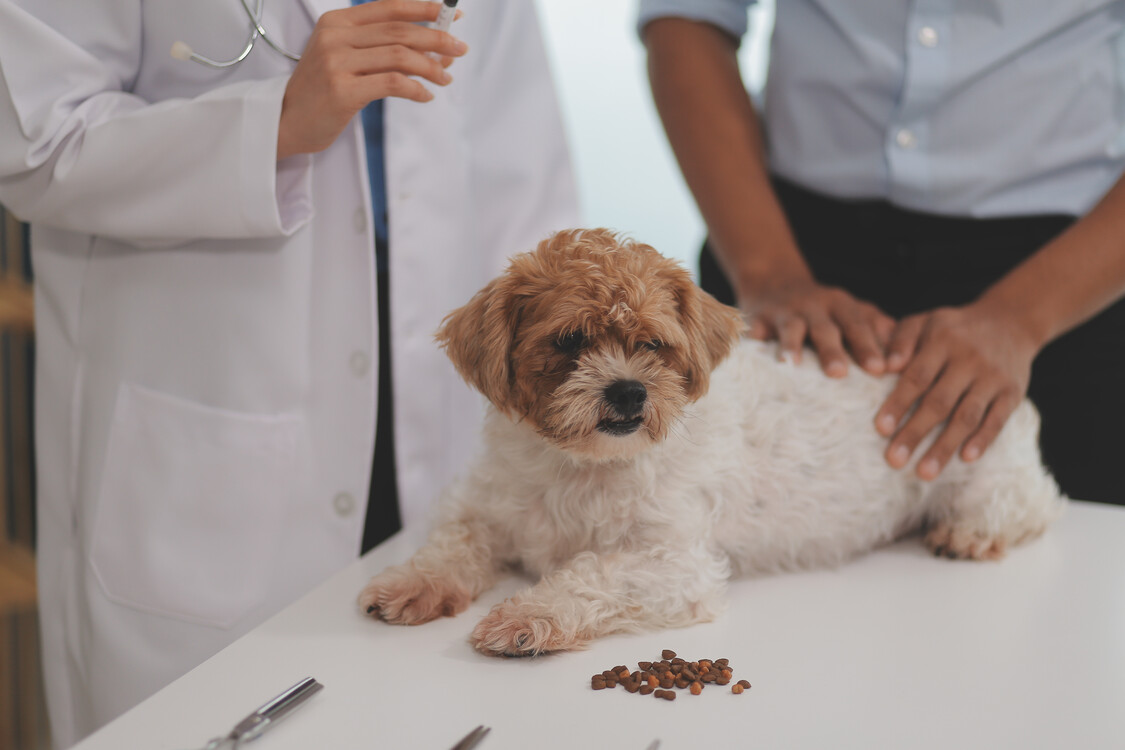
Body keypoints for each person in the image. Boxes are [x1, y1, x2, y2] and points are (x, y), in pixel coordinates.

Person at [0, 0, 578, 746]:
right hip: (218, 441)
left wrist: (562, 378)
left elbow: (517, 167)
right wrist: (273, 121)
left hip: (441, 428)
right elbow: (32, 143)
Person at [639, 1, 1125, 506]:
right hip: (773, 245)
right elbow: (688, 16)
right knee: (710, 535)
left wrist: (1021, 319)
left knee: (1068, 559)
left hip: (1071, 279)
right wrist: (766, 271)